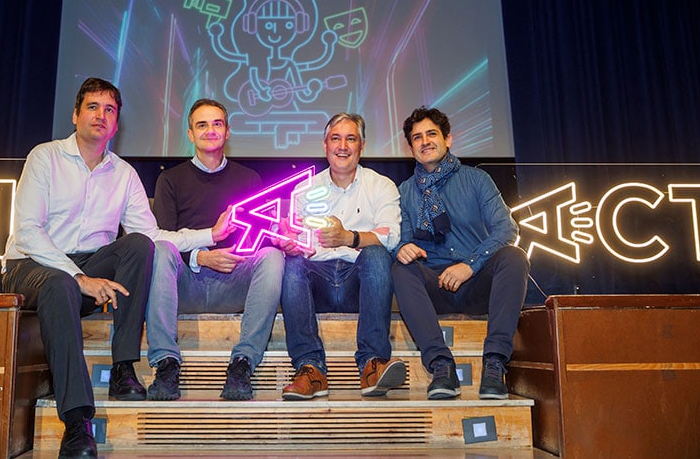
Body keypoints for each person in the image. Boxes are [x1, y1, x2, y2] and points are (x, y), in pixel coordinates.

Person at [2, 78, 230, 458]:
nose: (101, 115)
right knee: (60, 286)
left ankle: (124, 367)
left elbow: (153, 234)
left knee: (141, 245)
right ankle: (77, 424)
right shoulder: (45, 157)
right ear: (76, 115)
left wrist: (210, 234)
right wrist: (81, 279)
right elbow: (28, 232)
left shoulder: (123, 173)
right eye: (93, 107)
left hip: (90, 265)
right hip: (33, 264)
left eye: (110, 110)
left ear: (117, 124)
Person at [145, 98, 284, 401]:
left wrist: (278, 235)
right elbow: (164, 237)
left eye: (217, 123)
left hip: (234, 282)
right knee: (160, 250)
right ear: (191, 134)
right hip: (185, 285)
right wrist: (202, 256)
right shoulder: (169, 179)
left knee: (272, 256)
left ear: (228, 131)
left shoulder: (249, 179)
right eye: (202, 125)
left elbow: (259, 238)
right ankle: (166, 365)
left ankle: (243, 363)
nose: (210, 130)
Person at [391, 106, 529, 401]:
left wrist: (470, 265)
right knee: (401, 268)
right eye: (417, 137)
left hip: (476, 282)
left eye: (432, 134)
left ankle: (494, 364)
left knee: (514, 257)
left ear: (448, 139)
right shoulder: (403, 192)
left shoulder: (476, 180)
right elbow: (400, 241)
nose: (425, 141)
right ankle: (441, 366)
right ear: (410, 146)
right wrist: (402, 247)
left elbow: (506, 229)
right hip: (434, 288)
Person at [275, 112, 407, 400]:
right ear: (325, 145)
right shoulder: (305, 189)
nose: (343, 146)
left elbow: (391, 238)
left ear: (362, 146)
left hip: (360, 283)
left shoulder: (381, 186)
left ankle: (372, 364)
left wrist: (349, 237)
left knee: (376, 254)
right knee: (292, 263)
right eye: (336, 138)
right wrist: (288, 241)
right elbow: (294, 237)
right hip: (317, 282)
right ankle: (310, 369)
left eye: (351, 139)